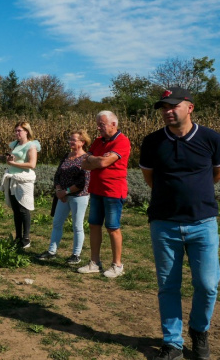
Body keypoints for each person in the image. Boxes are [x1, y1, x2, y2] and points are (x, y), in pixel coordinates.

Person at [139, 87, 220, 360]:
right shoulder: (152, 142)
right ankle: (172, 342)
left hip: (203, 223)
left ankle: (199, 331)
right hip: (164, 224)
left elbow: (216, 174)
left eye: (173, 105)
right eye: (164, 107)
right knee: (168, 285)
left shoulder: (211, 139)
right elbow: (150, 178)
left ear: (190, 107)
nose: (168, 111)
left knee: (208, 284)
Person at [78, 110, 130, 278]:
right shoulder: (98, 141)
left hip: (113, 191)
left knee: (112, 227)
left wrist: (96, 159)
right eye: (98, 124)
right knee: (94, 225)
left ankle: (117, 265)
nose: (98, 127)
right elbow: (85, 164)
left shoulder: (122, 141)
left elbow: (104, 161)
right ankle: (95, 262)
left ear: (113, 124)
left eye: (101, 124)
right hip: (96, 190)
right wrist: (97, 160)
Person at [37, 129, 91, 264]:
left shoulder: (87, 158)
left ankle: (76, 254)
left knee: (77, 225)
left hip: (79, 196)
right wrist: (58, 189)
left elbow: (83, 181)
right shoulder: (67, 155)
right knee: (57, 223)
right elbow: (58, 174)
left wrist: (65, 191)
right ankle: (52, 251)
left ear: (82, 142)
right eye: (70, 139)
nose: (70, 142)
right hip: (63, 196)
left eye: (74, 140)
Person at [1, 121, 41, 249]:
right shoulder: (15, 144)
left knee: (23, 209)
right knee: (16, 210)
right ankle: (18, 236)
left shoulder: (31, 146)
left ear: (26, 131)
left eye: (19, 131)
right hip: (13, 179)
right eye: (16, 131)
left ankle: (26, 238)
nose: (17, 133)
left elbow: (32, 164)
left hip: (24, 180)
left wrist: (13, 164)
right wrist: (9, 160)